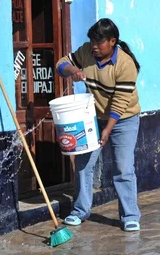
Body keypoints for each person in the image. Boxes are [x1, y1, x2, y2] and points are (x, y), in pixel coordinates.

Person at [55, 18, 142, 231]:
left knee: (122, 167)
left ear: (112, 41)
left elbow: (120, 102)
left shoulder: (125, 64)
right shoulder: (87, 52)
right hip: (93, 116)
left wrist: (108, 129)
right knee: (84, 163)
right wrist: (73, 71)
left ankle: (130, 215)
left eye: (99, 42)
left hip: (124, 119)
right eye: (92, 41)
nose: (94, 46)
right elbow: (61, 64)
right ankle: (80, 211)